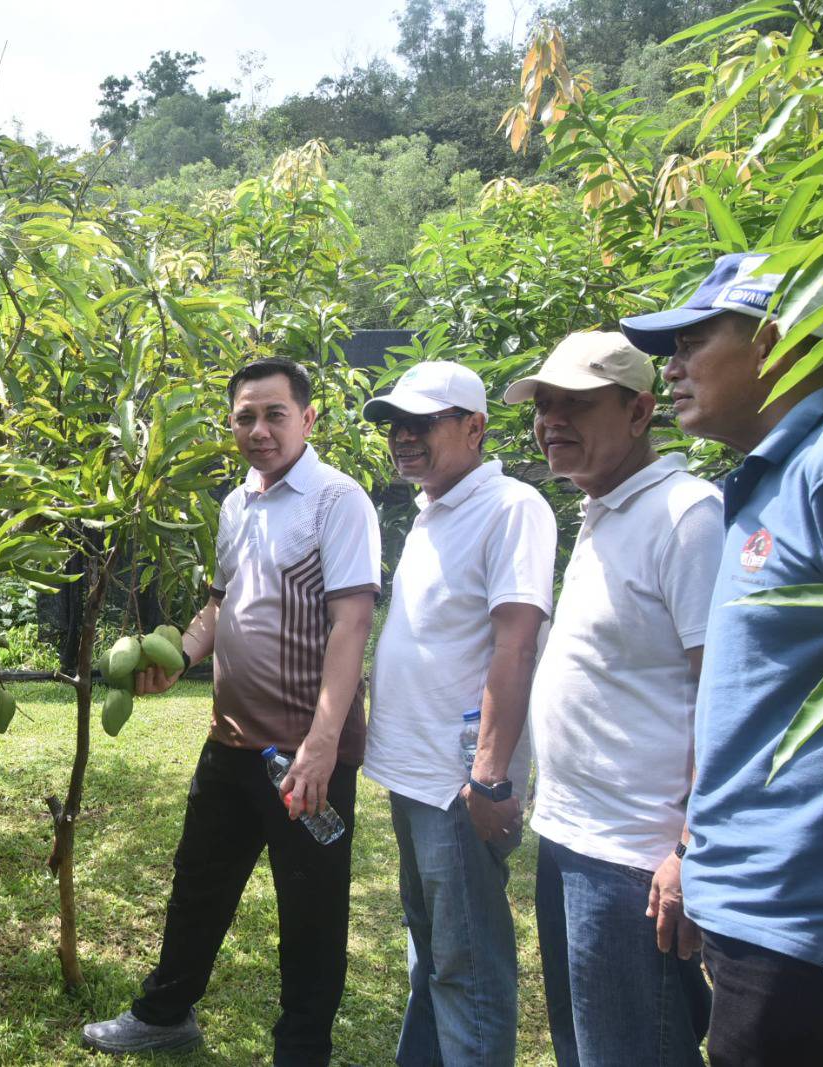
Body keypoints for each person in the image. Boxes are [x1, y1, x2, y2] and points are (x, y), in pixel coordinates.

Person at [82, 356, 380, 1066]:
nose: (259, 428)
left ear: (308, 419)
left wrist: (322, 742)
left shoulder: (338, 501)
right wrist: (179, 657)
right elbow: (220, 604)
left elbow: (352, 625)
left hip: (306, 754)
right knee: (197, 885)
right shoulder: (237, 502)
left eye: (275, 413)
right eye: (245, 415)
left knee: (310, 912)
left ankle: (302, 1050)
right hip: (232, 742)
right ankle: (164, 1015)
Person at [620, 252, 823, 1066]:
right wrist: (695, 852)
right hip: (746, 900)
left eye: (692, 341)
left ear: (775, 340)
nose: (673, 367)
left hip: (806, 918)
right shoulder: (757, 485)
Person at [503, 332, 719, 1065]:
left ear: (639, 412)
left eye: (577, 404)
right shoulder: (603, 510)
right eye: (545, 403)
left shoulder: (687, 515)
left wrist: (691, 850)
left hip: (635, 859)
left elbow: (720, 691)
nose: (551, 419)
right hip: (570, 838)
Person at [360, 359, 556, 1067]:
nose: (402, 436)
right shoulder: (432, 511)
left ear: (474, 427)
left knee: (467, 971)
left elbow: (517, 641)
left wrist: (489, 777)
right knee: (432, 959)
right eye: (393, 424)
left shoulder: (510, 508)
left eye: (421, 422)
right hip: (414, 776)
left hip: (457, 785)